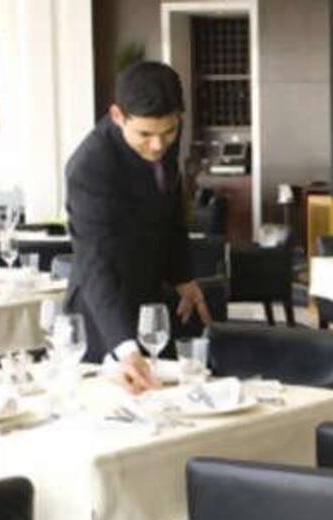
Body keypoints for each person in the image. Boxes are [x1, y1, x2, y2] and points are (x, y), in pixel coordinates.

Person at [65, 61, 211, 394]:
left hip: (151, 304)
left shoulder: (162, 133)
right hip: (102, 319)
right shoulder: (90, 167)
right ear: (117, 116)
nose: (159, 146)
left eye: (169, 132)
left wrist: (183, 277)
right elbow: (97, 264)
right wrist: (125, 349)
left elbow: (170, 212)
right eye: (145, 134)